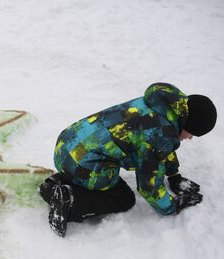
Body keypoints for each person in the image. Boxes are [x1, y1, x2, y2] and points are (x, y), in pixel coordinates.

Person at [39, 83, 217, 237]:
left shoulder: (164, 106)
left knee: (100, 171)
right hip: (83, 163)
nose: (190, 138)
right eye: (192, 133)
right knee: (123, 198)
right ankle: (69, 202)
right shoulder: (161, 134)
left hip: (68, 143)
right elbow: (149, 186)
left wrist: (173, 175)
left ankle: (55, 183)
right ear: (188, 124)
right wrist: (173, 206)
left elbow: (163, 148)